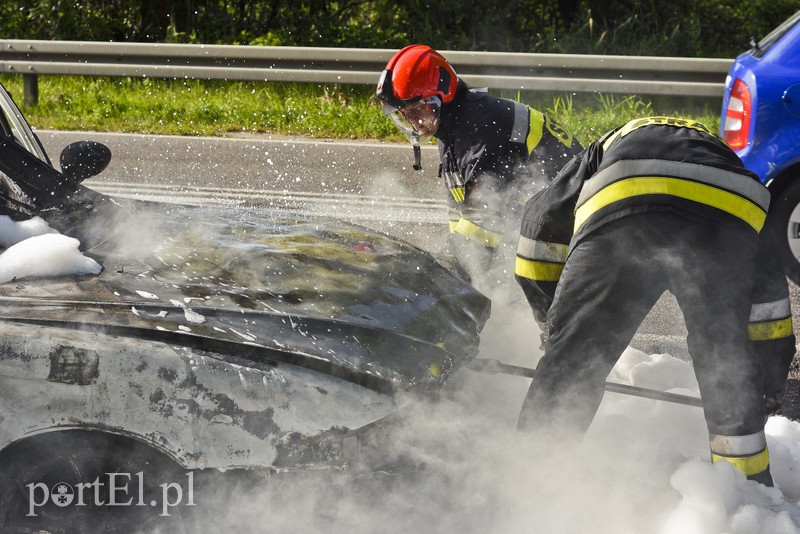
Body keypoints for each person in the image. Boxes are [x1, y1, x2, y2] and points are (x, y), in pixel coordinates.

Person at [514, 115, 796, 486]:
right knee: (728, 369)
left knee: (571, 368)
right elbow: (769, 312)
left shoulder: (607, 143)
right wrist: (766, 389)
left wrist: (557, 333)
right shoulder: (727, 161)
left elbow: (536, 240)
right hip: (727, 214)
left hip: (624, 205)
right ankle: (748, 497)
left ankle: (528, 486)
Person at [376, 45, 583, 276]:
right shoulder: (451, 132)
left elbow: (484, 220)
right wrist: (444, 261)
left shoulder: (480, 130)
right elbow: (463, 217)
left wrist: (440, 275)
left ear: (441, 97)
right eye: (405, 115)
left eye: (417, 110)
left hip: (573, 225)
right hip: (547, 221)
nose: (414, 122)